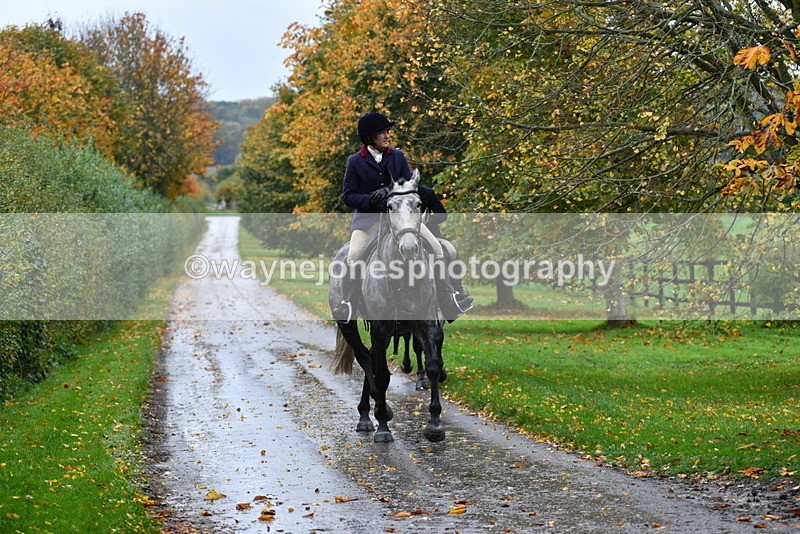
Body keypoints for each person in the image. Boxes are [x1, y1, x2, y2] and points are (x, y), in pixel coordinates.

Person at [331, 112, 473, 323]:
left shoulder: (397, 156)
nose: (387, 135)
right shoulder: (355, 162)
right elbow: (348, 196)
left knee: (438, 248)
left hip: (402, 219)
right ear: (369, 137)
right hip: (369, 222)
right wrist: (371, 199)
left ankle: (450, 297)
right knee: (353, 255)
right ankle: (348, 303)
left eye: (388, 131)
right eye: (382, 132)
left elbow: (409, 186)